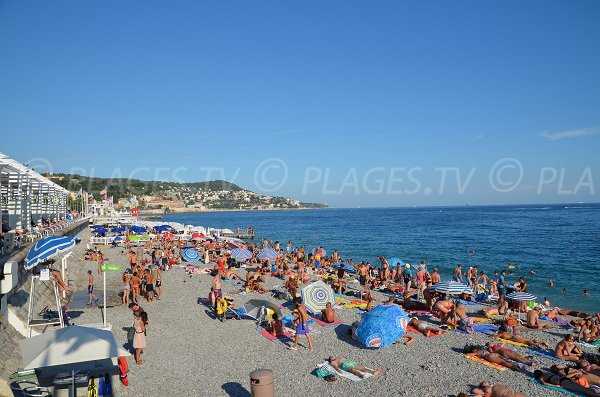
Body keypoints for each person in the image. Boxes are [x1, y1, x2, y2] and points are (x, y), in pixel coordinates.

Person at [534, 370, 600, 397]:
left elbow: (545, 384)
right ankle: (596, 393)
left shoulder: (541, 378)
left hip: (563, 383)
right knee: (583, 388)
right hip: (565, 379)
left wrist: (555, 386)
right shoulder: (548, 372)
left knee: (582, 390)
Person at [463, 345, 527, 372]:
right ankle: (520, 366)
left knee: (504, 363)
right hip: (494, 354)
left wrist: (471, 354)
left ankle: (519, 369)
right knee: (506, 360)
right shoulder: (482, 349)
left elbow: (468, 355)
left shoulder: (477, 353)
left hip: (490, 357)